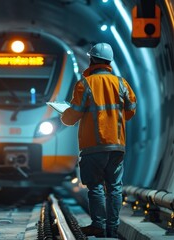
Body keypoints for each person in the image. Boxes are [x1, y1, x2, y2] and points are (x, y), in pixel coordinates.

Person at [61, 42, 137, 238]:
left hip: (93, 145)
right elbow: (130, 110)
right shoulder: (121, 83)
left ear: (92, 59)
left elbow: (73, 116)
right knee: (114, 188)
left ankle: (99, 225)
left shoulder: (84, 84)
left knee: (95, 186)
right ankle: (113, 228)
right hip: (117, 145)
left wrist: (64, 115)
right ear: (109, 61)